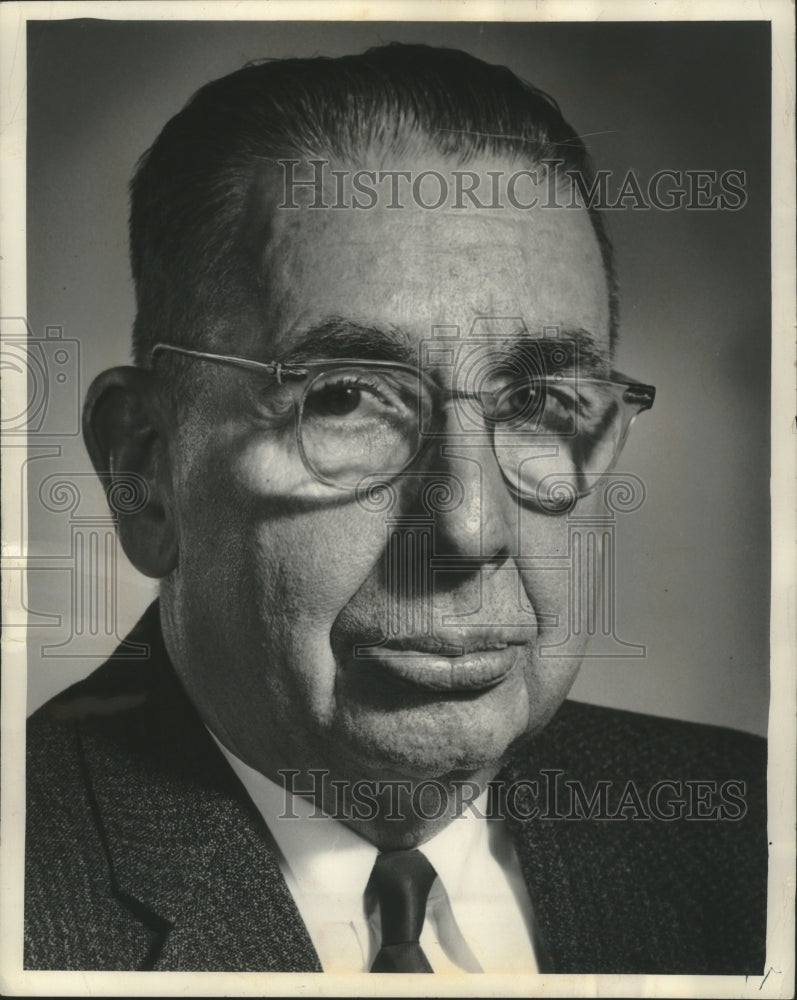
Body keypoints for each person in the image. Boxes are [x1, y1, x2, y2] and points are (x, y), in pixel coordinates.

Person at [24, 43, 767, 975]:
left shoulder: (753, 830)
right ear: (148, 468)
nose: (467, 531)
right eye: (343, 398)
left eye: (536, 401)